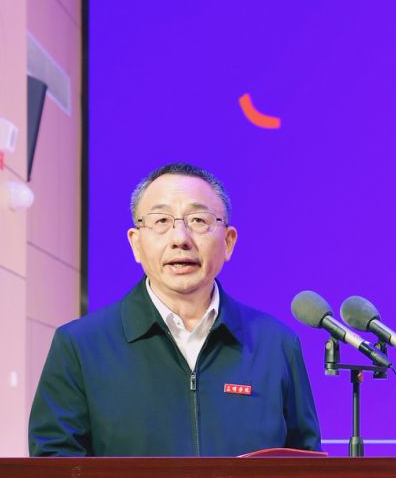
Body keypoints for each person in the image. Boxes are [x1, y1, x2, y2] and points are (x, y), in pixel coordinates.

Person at [28, 162, 320, 455]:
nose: (180, 239)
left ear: (228, 242)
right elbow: (55, 464)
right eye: (161, 221)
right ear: (136, 244)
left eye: (198, 220)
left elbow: (305, 465)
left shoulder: (276, 345)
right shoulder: (80, 346)